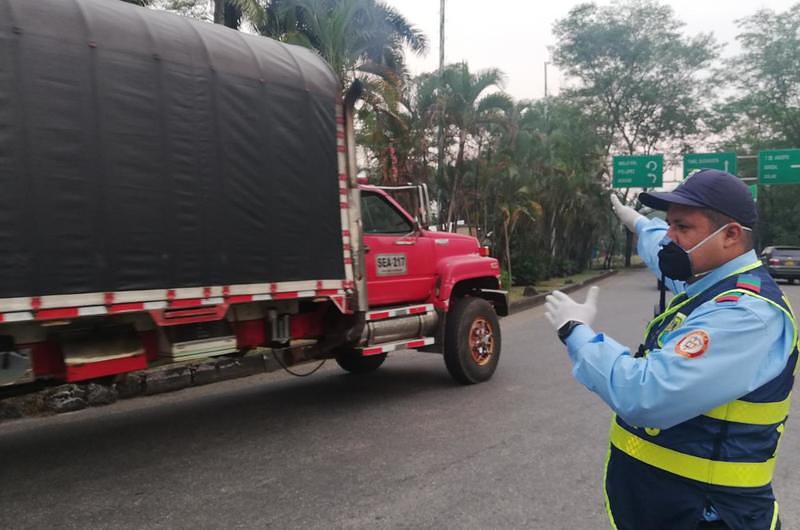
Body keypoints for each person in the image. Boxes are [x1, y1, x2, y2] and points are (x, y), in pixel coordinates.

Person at [544, 169, 797, 530]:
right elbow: (661, 248)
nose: (669, 238)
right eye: (668, 225)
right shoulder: (710, 279)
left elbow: (646, 394)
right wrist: (638, 223)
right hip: (676, 507)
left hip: (712, 515)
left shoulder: (746, 314)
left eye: (682, 227)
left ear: (730, 235)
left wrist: (575, 331)